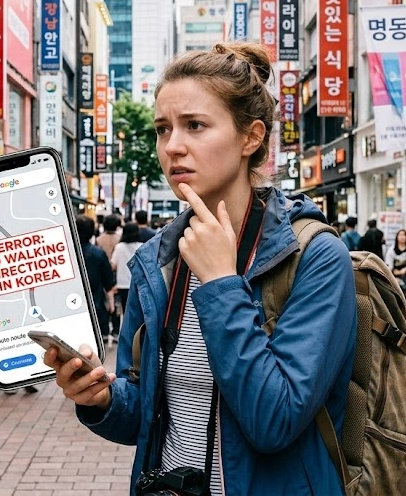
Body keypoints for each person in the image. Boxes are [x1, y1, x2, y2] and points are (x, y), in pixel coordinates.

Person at [44, 42, 357, 494]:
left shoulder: (314, 255)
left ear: (250, 138)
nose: (173, 147)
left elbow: (276, 420)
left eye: (195, 125)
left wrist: (222, 282)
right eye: (162, 128)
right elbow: (149, 417)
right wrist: (101, 398)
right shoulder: (159, 258)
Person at [76, 214, 117, 347]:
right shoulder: (98, 253)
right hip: (95, 302)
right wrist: (111, 303)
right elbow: (108, 281)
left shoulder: (66, 251)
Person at [109, 223, 143, 344]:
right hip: (138, 284)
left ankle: (119, 334)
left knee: (122, 311)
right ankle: (135, 336)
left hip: (122, 284)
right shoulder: (142, 246)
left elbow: (113, 265)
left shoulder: (119, 247)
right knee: (136, 311)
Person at [387, 229, 406, 298]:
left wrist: (405, 270)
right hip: (395, 276)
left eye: (404, 235)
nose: (402, 237)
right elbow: (389, 266)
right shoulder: (391, 251)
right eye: (400, 235)